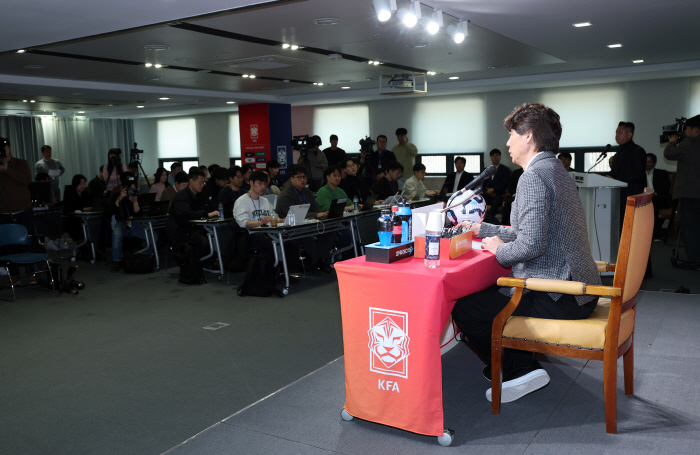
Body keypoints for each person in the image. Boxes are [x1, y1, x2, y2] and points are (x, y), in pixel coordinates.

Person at [451, 103, 601, 404]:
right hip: (579, 288)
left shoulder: (533, 177)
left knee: (467, 308)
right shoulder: (554, 169)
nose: (507, 143)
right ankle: (511, 361)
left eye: (511, 134)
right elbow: (532, 233)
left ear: (529, 136)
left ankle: (520, 369)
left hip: (561, 293)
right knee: (491, 293)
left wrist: (500, 250)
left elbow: (531, 245)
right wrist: (484, 231)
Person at [275, 164, 334, 273]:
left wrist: (322, 213)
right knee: (307, 237)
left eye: (304, 177)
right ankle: (313, 263)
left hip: (307, 224)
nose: (302, 180)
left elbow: (316, 207)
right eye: (299, 177)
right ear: (292, 179)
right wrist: (316, 215)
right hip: (290, 228)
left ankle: (320, 260)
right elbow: (293, 214)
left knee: (329, 231)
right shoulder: (286, 195)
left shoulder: (307, 192)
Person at [664, 115, 700, 264]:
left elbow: (669, 154)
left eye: (687, 129)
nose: (685, 132)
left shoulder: (689, 142)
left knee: (690, 228)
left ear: (696, 130)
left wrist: (672, 143)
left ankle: (694, 259)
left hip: (691, 193)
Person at [165, 167, 218, 260]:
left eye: (203, 183)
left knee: (220, 233)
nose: (202, 185)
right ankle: (201, 262)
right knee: (203, 240)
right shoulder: (181, 196)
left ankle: (214, 260)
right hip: (183, 230)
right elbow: (185, 215)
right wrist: (206, 214)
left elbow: (211, 208)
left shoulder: (202, 195)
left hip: (198, 227)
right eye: (200, 183)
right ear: (191, 181)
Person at [607, 121, 646, 229]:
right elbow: (613, 174)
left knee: (630, 227)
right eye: (616, 132)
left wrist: (616, 180)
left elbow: (638, 175)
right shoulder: (618, 153)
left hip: (631, 195)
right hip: (618, 194)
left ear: (629, 135)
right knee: (619, 226)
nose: (616, 135)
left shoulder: (638, 151)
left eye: (620, 132)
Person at [110, 172, 152, 273]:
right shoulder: (116, 195)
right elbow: (111, 211)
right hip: (122, 223)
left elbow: (139, 214)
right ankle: (116, 261)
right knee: (116, 234)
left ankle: (145, 257)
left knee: (153, 236)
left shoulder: (136, 195)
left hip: (134, 223)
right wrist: (120, 198)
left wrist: (135, 201)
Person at [0, 137, 34, 234]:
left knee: (27, 240)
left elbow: (27, 180)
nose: (2, 150)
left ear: (9, 148)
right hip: (3, 212)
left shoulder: (21, 163)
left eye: (4, 147)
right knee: (7, 245)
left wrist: (7, 170)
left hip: (23, 210)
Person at [645, 152, 672, 239]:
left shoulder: (662, 173)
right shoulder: (640, 175)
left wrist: (653, 195)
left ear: (654, 163)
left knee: (652, 203)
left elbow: (666, 188)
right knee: (651, 205)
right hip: (646, 199)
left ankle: (655, 233)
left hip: (660, 198)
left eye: (649, 162)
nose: (647, 164)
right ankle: (656, 233)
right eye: (645, 162)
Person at [63, 174, 93, 244]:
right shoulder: (70, 194)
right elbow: (69, 208)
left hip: (87, 218)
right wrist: (83, 209)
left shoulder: (87, 194)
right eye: (80, 184)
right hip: (74, 221)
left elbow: (92, 205)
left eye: (84, 184)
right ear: (75, 184)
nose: (82, 186)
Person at [482, 149, 511, 219]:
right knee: (479, 200)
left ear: (500, 157)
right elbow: (482, 183)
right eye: (493, 156)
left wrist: (493, 189)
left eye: (497, 155)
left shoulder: (505, 170)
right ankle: (479, 219)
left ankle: (489, 220)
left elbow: (505, 184)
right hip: (487, 194)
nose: (495, 157)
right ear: (490, 157)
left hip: (499, 195)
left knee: (495, 202)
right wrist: (487, 191)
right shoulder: (486, 170)